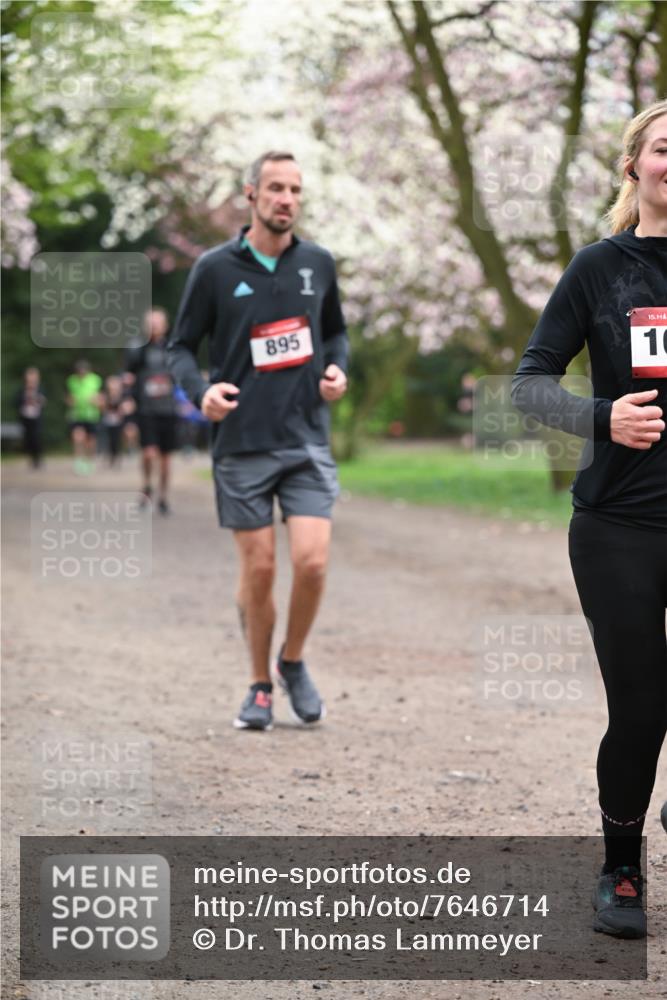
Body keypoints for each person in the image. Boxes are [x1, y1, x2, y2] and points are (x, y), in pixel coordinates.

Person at [511, 99, 667, 939]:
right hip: (620, 525)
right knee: (641, 708)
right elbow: (529, 382)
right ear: (633, 166)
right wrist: (601, 415)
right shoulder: (600, 268)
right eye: (664, 149)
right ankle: (620, 868)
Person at [167, 150, 349, 732]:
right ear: (251, 195)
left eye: (295, 189)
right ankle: (259, 684)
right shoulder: (215, 268)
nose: (286, 199)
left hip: (305, 440)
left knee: (313, 563)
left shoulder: (317, 263)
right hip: (242, 442)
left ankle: (292, 660)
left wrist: (337, 370)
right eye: (275, 188)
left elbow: (336, 333)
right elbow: (180, 348)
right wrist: (201, 394)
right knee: (262, 569)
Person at [126, 308, 179, 514]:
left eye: (158, 322)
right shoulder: (138, 349)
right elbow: (129, 374)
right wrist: (129, 398)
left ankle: (163, 496)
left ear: (165, 325)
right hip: (147, 409)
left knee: (165, 460)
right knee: (149, 453)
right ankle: (147, 484)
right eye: (151, 322)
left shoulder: (173, 347)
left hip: (168, 409)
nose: (154, 326)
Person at [66, 360, 102, 475]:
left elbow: (100, 396)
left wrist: (96, 401)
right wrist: (70, 401)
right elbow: (68, 396)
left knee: (90, 441)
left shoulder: (96, 380)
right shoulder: (71, 380)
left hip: (91, 415)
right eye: (79, 371)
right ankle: (79, 461)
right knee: (77, 438)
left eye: (83, 371)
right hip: (77, 414)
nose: (81, 373)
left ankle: (89, 461)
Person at [16, 367, 46, 468]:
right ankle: (31, 458)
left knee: (36, 437)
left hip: (36, 416)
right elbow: (16, 402)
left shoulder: (40, 389)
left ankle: (38, 458)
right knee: (27, 438)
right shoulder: (22, 389)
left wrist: (36, 400)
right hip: (25, 416)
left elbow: (43, 401)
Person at [100, 374, 128, 467]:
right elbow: (102, 408)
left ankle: (118, 456)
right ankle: (109, 457)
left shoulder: (122, 396)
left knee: (117, 440)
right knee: (108, 440)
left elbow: (125, 408)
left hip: (118, 422)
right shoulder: (106, 396)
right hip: (108, 421)